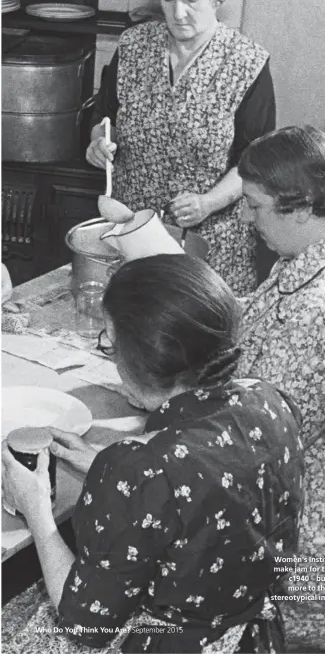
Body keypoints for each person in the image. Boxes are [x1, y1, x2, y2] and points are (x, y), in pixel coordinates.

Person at [2, 255, 303, 654]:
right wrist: (101, 463)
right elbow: (211, 487)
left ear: (138, 358)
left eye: (109, 339)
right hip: (252, 634)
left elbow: (85, 623)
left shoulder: (138, 468)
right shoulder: (270, 401)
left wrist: (36, 510)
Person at [236, 126, 325, 653]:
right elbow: (249, 319)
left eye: (254, 205)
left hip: (321, 562)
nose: (246, 218)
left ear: (299, 207)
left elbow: (253, 442)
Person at [86, 0, 276, 295]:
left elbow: (256, 161)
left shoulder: (247, 63)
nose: (177, 13)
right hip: (133, 233)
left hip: (210, 245)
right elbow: (104, 115)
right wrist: (98, 141)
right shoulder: (133, 45)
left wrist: (208, 202)